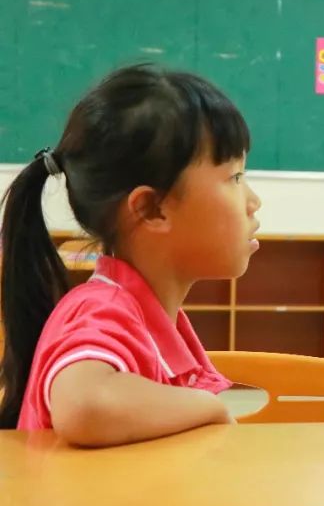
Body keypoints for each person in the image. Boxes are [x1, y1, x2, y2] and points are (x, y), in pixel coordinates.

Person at [0, 65, 261, 446]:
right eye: (235, 177)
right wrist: (209, 407)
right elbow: (85, 404)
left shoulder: (145, 313)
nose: (254, 201)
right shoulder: (104, 309)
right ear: (152, 210)